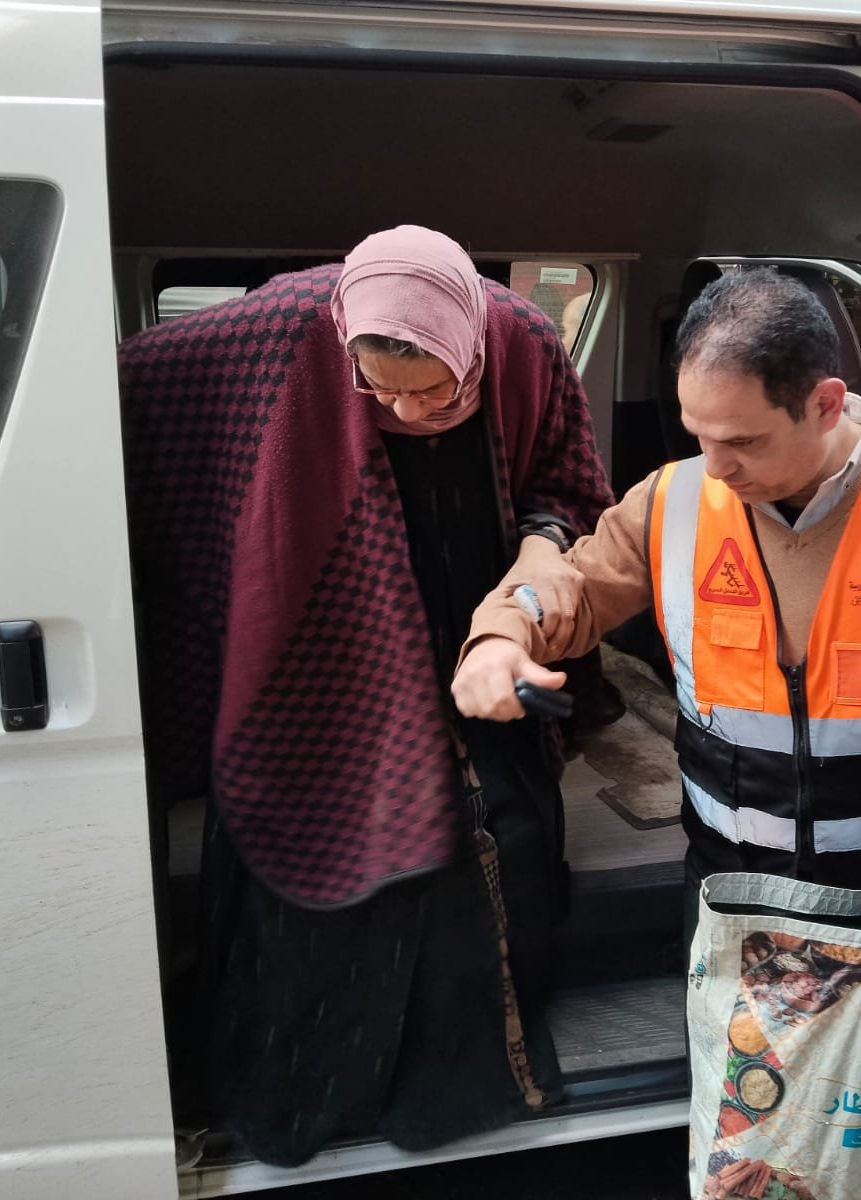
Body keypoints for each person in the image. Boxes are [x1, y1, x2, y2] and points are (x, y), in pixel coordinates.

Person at [117, 225, 614, 1165]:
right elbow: (129, 375)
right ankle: (318, 1098)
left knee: (491, 837)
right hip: (326, 632)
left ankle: (446, 1095)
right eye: (378, 390)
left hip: (482, 610)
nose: (406, 409)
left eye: (434, 391)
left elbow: (568, 492)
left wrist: (525, 590)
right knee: (317, 851)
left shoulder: (524, 340)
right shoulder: (285, 329)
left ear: (471, 344)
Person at [452, 269, 861, 933]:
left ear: (825, 404)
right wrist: (503, 635)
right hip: (727, 886)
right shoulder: (672, 502)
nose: (715, 467)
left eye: (742, 441)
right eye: (698, 435)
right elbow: (568, 593)